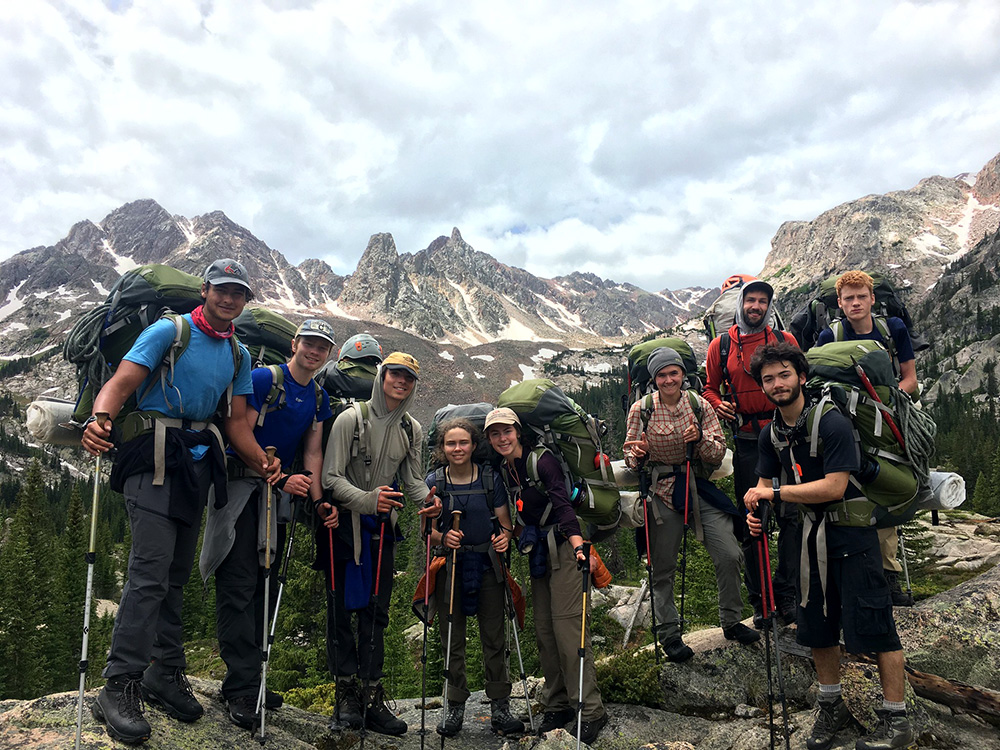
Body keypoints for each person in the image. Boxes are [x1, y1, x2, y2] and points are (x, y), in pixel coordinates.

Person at [81, 258, 280, 745]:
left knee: (173, 576)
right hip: (150, 455)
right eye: (222, 290)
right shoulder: (170, 332)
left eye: (238, 293)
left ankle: (163, 671)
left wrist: (265, 464)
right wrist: (99, 418)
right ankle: (118, 684)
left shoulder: (238, 354)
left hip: (193, 465)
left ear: (244, 301)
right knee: (149, 573)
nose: (229, 298)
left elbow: (235, 423)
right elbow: (122, 382)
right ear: (206, 291)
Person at [745, 342, 913, 750]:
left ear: (801, 377)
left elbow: (835, 486)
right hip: (808, 540)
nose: (776, 384)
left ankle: (896, 719)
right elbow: (763, 484)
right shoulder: (773, 433)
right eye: (768, 379)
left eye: (784, 375)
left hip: (853, 536)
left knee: (876, 627)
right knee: (817, 628)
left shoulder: (832, 422)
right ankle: (831, 704)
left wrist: (775, 495)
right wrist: (757, 505)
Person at [200, 319, 337, 728]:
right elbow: (238, 429)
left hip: (277, 502)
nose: (314, 351)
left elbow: (312, 453)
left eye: (322, 347)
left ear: (328, 354)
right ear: (294, 344)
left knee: (265, 585)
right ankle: (239, 687)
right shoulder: (264, 379)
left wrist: (318, 499)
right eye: (309, 343)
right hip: (242, 493)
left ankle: (253, 679)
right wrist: (273, 472)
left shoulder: (318, 397)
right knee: (239, 584)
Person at [320, 352, 439, 736]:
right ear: (381, 376)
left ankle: (370, 696)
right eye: (395, 375)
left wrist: (429, 500)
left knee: (376, 613)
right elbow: (331, 479)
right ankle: (346, 694)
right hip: (341, 528)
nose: (401, 382)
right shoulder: (349, 419)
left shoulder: (412, 429)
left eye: (408, 377)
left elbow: (413, 479)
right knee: (340, 611)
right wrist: (370, 500)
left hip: (382, 530)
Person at [624, 348, 759, 663]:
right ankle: (670, 636)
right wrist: (638, 454)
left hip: (696, 487)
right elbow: (631, 459)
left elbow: (716, 452)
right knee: (663, 568)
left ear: (682, 374)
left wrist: (699, 439)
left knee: (729, 553)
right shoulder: (640, 409)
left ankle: (731, 620)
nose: (669, 379)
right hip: (661, 491)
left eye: (673, 373)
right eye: (662, 375)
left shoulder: (699, 405)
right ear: (654, 380)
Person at [485, 407, 608, 745]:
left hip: (564, 549)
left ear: (518, 432)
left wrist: (579, 546)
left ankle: (591, 710)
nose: (501, 438)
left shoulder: (543, 461)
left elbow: (562, 503)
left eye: (506, 431)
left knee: (568, 629)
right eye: (494, 434)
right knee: (544, 630)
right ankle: (557, 703)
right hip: (537, 549)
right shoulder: (504, 468)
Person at [816, 270, 918, 606]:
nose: (855, 303)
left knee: (884, 489)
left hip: (887, 421)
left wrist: (885, 402)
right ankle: (864, 577)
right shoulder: (829, 335)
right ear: (840, 303)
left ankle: (888, 578)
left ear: (872, 298)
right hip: (847, 422)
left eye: (861, 296)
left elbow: (910, 379)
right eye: (849, 298)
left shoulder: (894, 329)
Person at [703, 278, 800, 628]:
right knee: (753, 519)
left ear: (768, 306)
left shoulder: (783, 340)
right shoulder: (722, 345)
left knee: (792, 515)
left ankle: (786, 595)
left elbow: (801, 378)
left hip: (785, 435)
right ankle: (761, 601)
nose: (755, 307)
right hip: (747, 439)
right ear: (741, 305)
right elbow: (709, 388)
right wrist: (718, 404)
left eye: (762, 301)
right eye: (751, 301)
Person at [423, 418, 523, 738]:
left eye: (463, 442)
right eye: (450, 444)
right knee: (452, 638)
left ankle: (499, 706)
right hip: (449, 565)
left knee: (494, 637)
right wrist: (442, 538)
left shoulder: (491, 479)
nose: (457, 449)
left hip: (487, 563)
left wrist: (504, 538)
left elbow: (506, 524)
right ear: (442, 448)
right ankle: (454, 706)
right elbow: (427, 531)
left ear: (473, 445)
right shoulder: (434, 482)